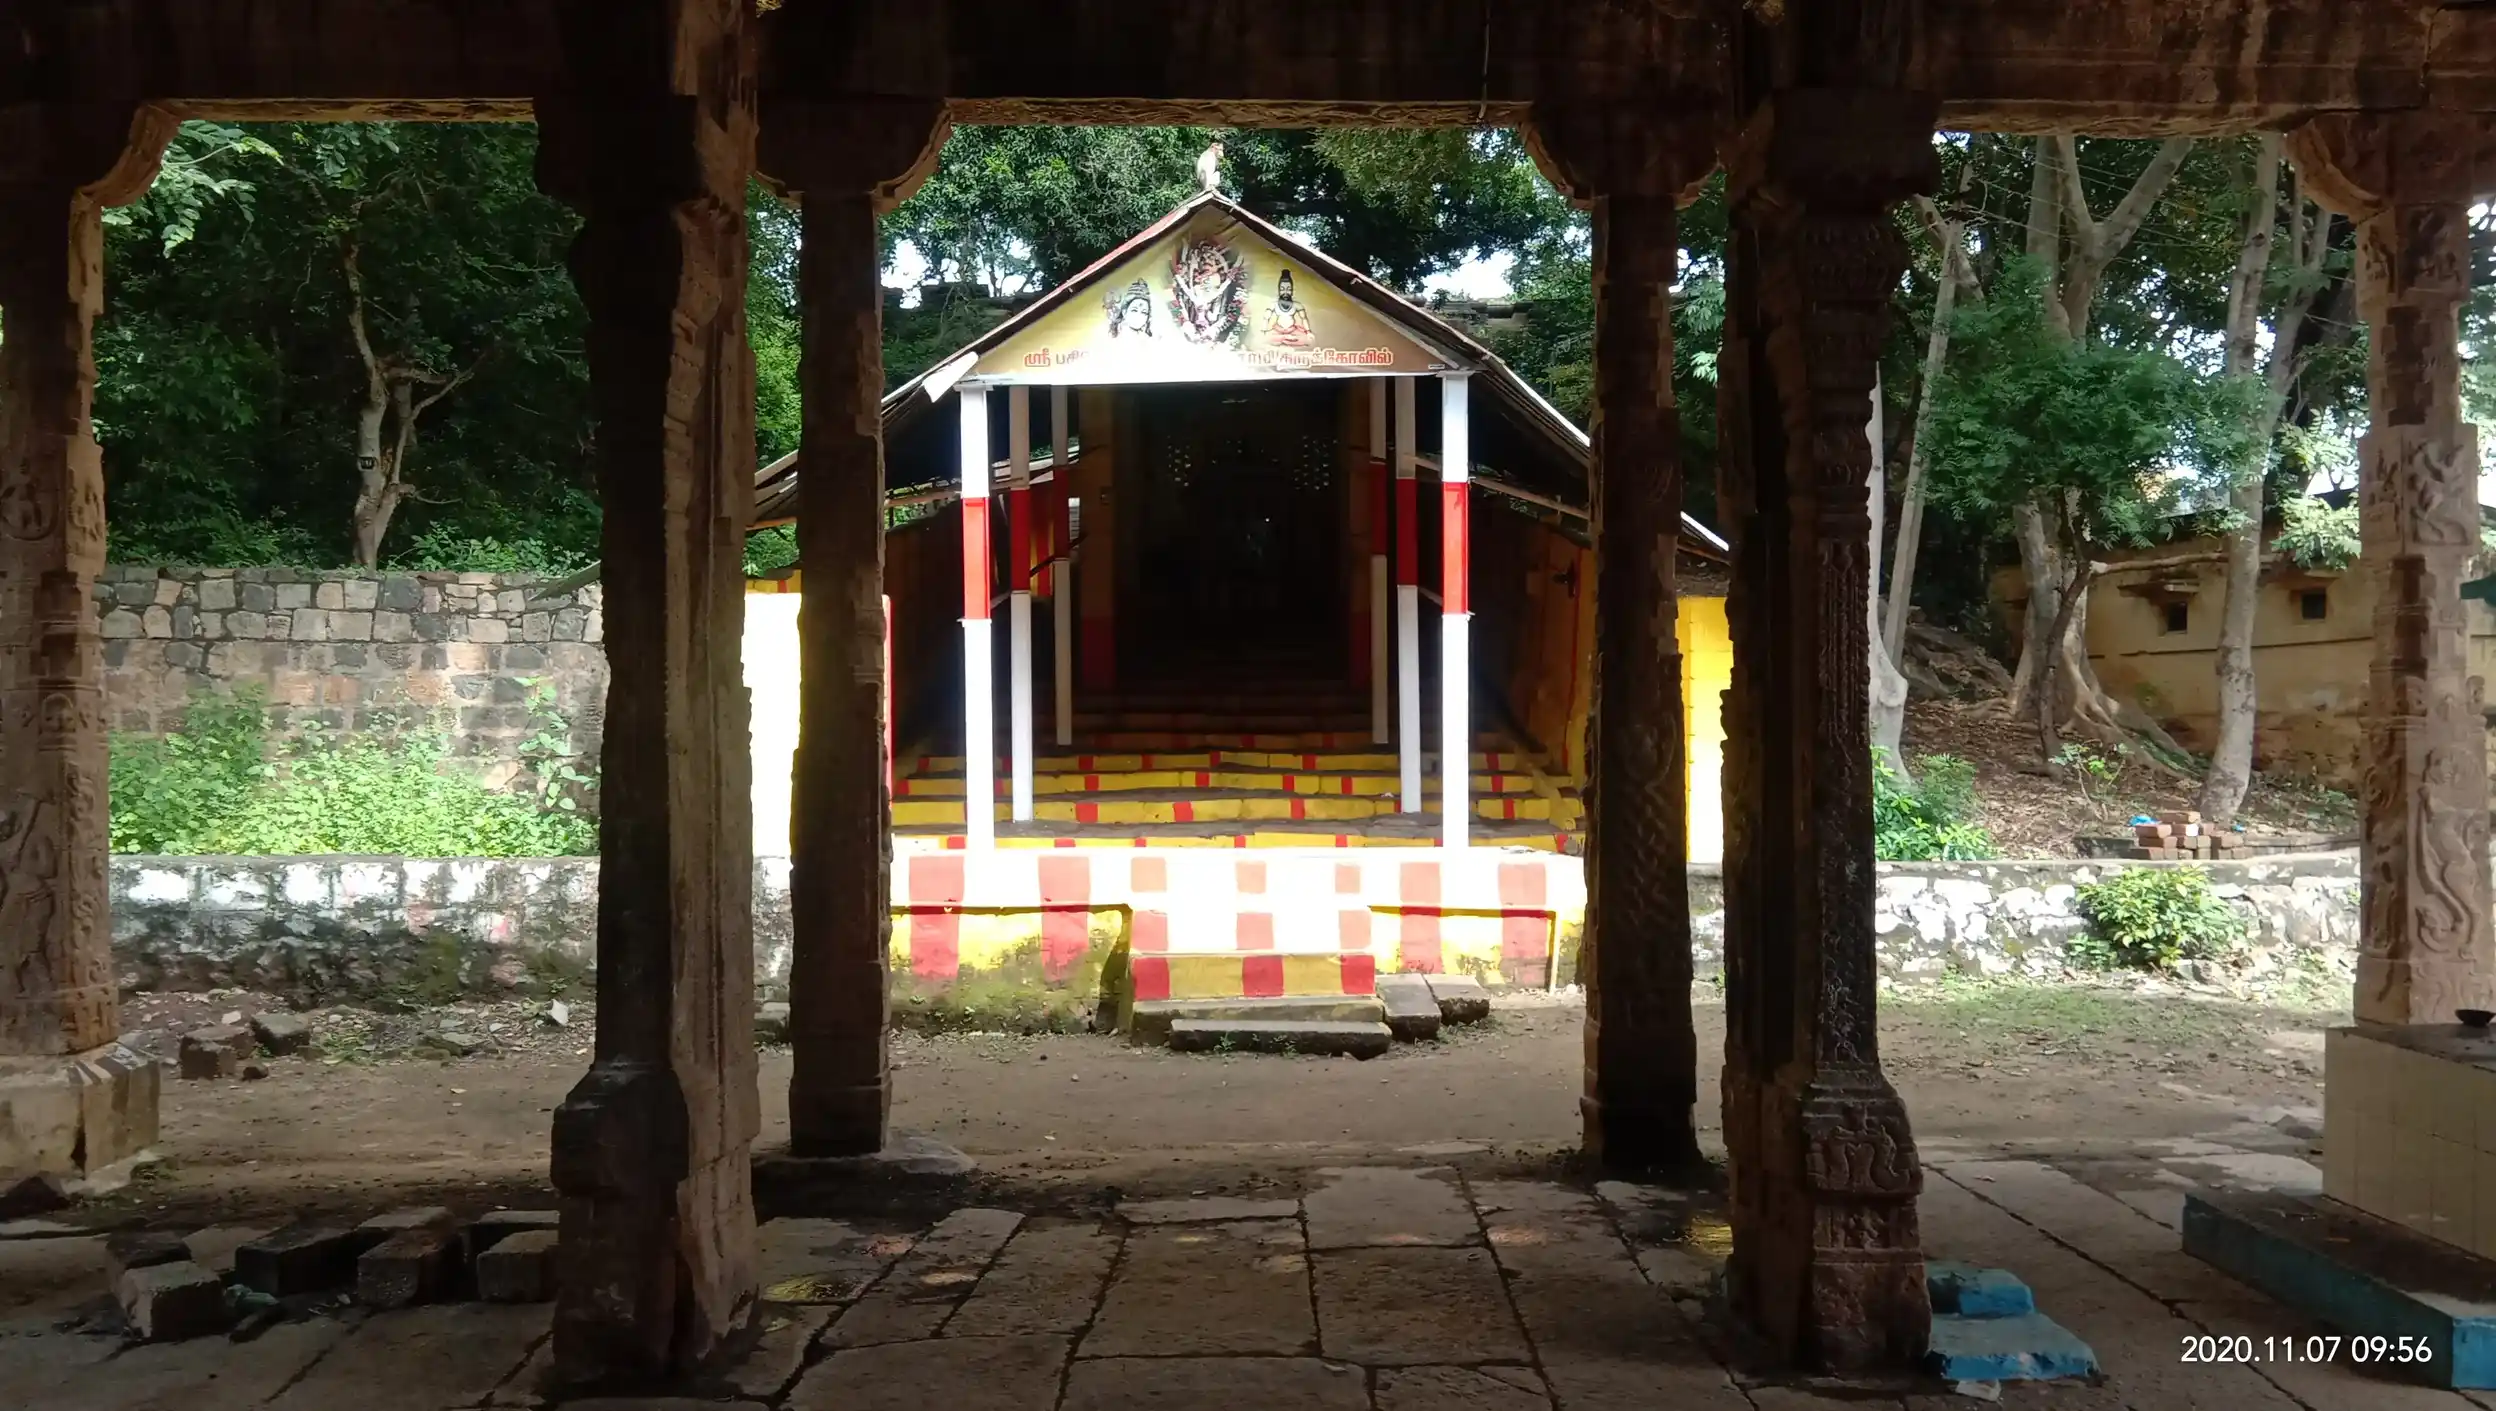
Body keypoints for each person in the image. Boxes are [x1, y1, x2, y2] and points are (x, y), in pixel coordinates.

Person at [1262, 268, 1314, 348]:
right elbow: (1266, 318)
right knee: (1267, 338)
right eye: (1282, 289)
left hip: (1292, 330)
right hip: (1277, 331)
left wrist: (1308, 331)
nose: (1285, 292)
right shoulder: (1274, 304)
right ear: (1279, 291)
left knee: (1306, 339)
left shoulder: (1297, 305)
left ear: (1292, 291)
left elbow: (1304, 318)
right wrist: (1263, 331)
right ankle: (1285, 339)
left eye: (1288, 289)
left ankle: (1285, 339)